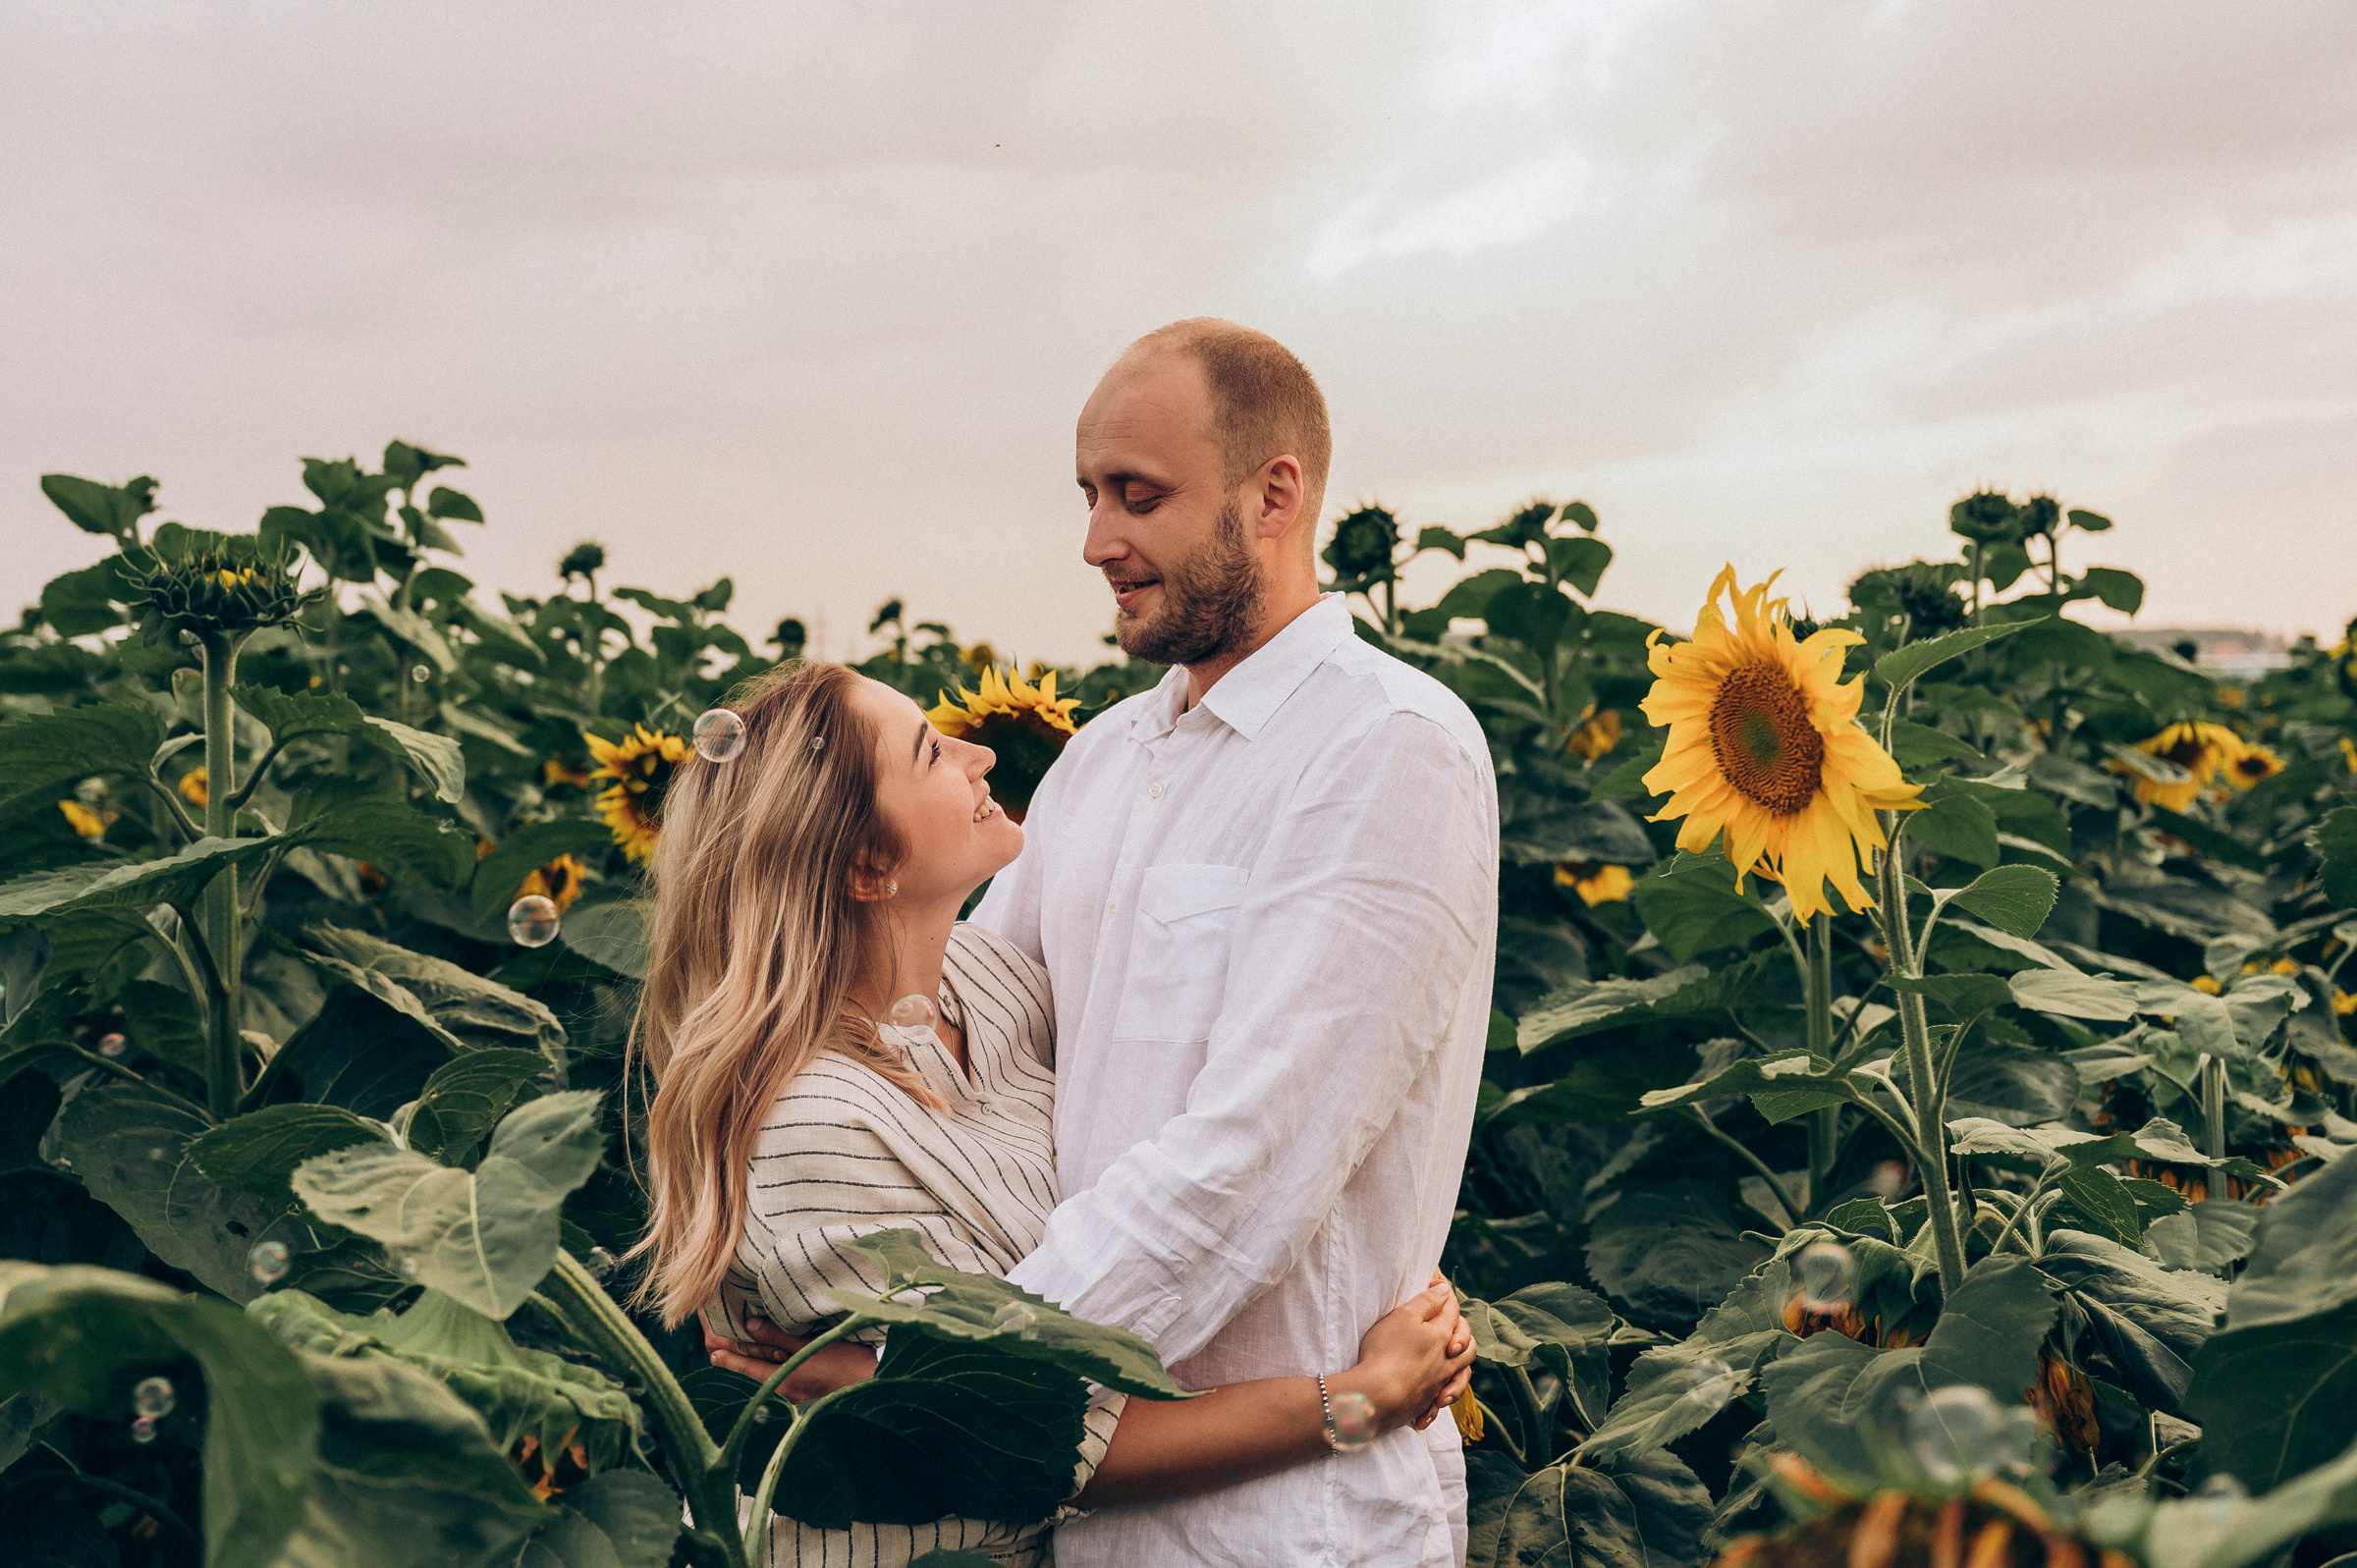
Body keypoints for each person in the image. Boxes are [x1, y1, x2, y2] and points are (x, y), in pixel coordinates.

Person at [717, 320, 1500, 1565]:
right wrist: (767, 1256)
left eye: (1141, 495)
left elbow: (1250, 1160)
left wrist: (927, 1377)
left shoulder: (1387, 747)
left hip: (1286, 1519)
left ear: (1274, 494)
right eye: (1089, 494)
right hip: (1067, 1515)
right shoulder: (1097, 765)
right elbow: (955, 1022)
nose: (1096, 541)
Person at [630, 657, 1477, 1567]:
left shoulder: (992, 988)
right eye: (930, 752)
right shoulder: (811, 1123)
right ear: (870, 863)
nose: (979, 753)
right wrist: (1364, 1399)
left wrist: (1372, 1246)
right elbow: (1053, 1448)